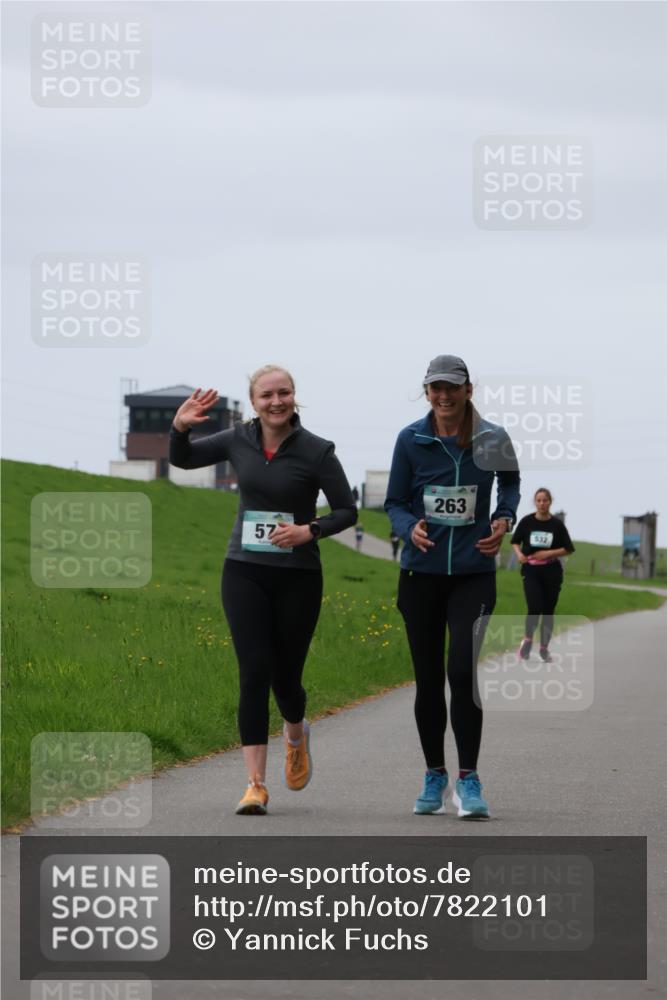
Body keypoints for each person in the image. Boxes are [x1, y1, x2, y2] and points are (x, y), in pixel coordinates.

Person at [169, 367, 357, 815]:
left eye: (284, 393)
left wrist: (308, 530)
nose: (277, 401)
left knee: (285, 679)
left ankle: (296, 733)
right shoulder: (238, 439)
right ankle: (255, 784)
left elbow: (347, 511)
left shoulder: (317, 451)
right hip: (244, 570)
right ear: (253, 402)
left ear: (295, 397)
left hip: (298, 576)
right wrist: (178, 427)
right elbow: (182, 459)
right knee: (254, 671)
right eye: (267, 395)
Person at [385, 355, 520, 819]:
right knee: (427, 680)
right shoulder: (411, 439)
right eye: (435, 388)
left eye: (452, 387)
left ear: (467, 390)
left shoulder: (492, 437)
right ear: (426, 392)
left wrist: (504, 516)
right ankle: (434, 774)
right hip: (420, 576)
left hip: (473, 574)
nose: (443, 396)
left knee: (461, 672)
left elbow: (511, 482)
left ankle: (470, 780)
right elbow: (394, 501)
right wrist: (409, 528)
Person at [511, 489, 575, 663]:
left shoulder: (557, 525)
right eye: (539, 500)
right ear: (535, 502)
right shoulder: (526, 522)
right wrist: (519, 555)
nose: (542, 503)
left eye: (545, 500)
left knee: (548, 611)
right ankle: (527, 641)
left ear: (550, 502)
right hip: (531, 570)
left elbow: (569, 548)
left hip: (552, 571)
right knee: (534, 607)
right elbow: (515, 541)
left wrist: (548, 554)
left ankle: (544, 649)